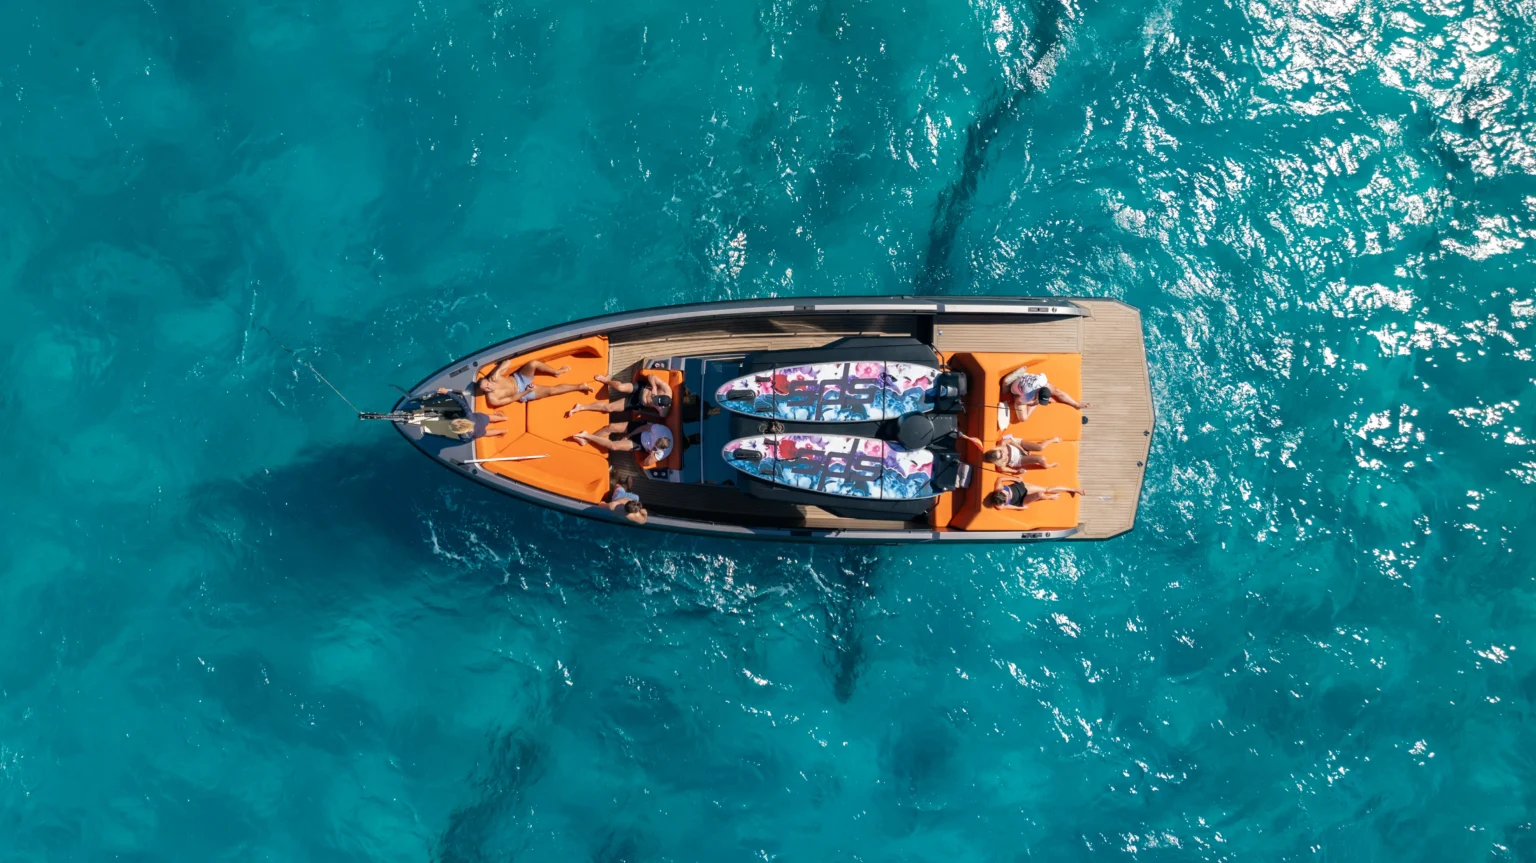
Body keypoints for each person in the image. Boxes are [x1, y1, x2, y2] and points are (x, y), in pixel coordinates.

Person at [479, 358, 595, 408]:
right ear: (484, 392)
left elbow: (508, 361)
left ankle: (557, 371)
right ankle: (580, 387)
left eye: (488, 383)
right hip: (522, 392)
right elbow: (511, 399)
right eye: (487, 388)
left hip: (519, 378)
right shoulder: (493, 399)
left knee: (533, 363)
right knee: (551, 390)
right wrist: (527, 391)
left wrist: (498, 371)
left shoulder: (494, 377)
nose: (490, 386)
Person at [564, 371, 674, 419]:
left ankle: (581, 407)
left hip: (638, 402)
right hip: (642, 388)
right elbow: (651, 376)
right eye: (656, 398)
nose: (654, 399)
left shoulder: (664, 409)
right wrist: (654, 387)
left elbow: (662, 416)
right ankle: (606, 381)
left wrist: (644, 411)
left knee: (609, 408)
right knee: (620, 387)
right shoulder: (666, 389)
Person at [1001, 363, 1089, 422]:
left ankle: (1076, 404)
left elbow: (1040, 376)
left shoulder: (1042, 380)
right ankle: (1007, 385)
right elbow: (1018, 402)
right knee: (1024, 418)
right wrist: (1033, 403)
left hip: (1026, 377)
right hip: (1016, 391)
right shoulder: (1028, 395)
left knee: (1055, 390)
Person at [569, 421, 673, 463]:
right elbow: (643, 427)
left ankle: (586, 436)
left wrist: (651, 455)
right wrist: (629, 435)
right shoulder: (659, 430)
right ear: (659, 438)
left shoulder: (661, 453)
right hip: (641, 430)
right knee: (611, 427)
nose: (653, 446)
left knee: (613, 446)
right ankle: (586, 439)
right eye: (654, 444)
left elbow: (646, 463)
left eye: (655, 447)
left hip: (640, 444)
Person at [957, 432, 1062, 473]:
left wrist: (1021, 449)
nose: (1003, 454)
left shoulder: (1002, 445)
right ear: (997, 460)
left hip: (1017, 446)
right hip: (1018, 460)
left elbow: (1010, 440)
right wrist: (1017, 472)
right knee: (1041, 459)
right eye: (1001, 456)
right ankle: (1048, 466)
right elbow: (1005, 469)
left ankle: (1052, 439)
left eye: (1001, 452)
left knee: (1040, 447)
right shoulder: (1000, 464)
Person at [986, 477, 1084, 510]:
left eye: (1006, 495)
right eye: (1007, 500)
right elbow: (1009, 507)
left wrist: (1016, 479)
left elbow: (1000, 478)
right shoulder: (999, 505)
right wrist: (1021, 508)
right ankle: (1050, 498)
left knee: (1047, 489)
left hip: (1021, 487)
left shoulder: (998, 488)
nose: (1007, 498)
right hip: (1020, 500)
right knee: (1041, 494)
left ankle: (1073, 489)